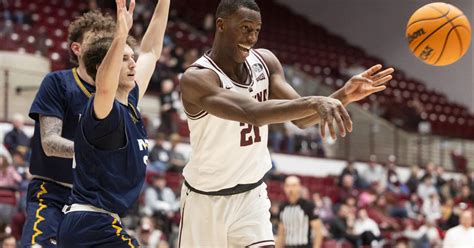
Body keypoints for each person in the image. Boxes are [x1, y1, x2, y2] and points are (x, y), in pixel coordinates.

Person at [178, 0, 394, 246]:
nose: (251, 37)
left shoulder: (265, 62)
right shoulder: (197, 78)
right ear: (221, 25)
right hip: (206, 201)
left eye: (257, 30)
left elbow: (302, 118)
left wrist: (344, 94)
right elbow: (252, 112)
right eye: (245, 28)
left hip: (252, 196)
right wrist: (316, 101)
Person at [57, 0, 169, 246]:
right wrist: (120, 35)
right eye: (125, 58)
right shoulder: (103, 110)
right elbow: (105, 87)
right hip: (91, 224)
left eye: (132, 58)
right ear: (103, 68)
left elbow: (150, 51)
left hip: (94, 224)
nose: (132, 64)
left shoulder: (129, 103)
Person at [21, 10, 116, 247]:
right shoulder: (57, 83)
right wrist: (94, 151)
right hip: (51, 192)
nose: (104, 48)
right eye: (97, 42)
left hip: (93, 200)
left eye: (109, 43)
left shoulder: (116, 94)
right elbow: (50, 143)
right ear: (77, 48)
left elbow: (149, 54)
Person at [276, 176, 322, 248]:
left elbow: (318, 232)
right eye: (287, 186)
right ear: (284, 188)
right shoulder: (282, 207)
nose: (290, 189)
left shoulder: (309, 205)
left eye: (293, 185)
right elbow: (281, 234)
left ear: (299, 187)